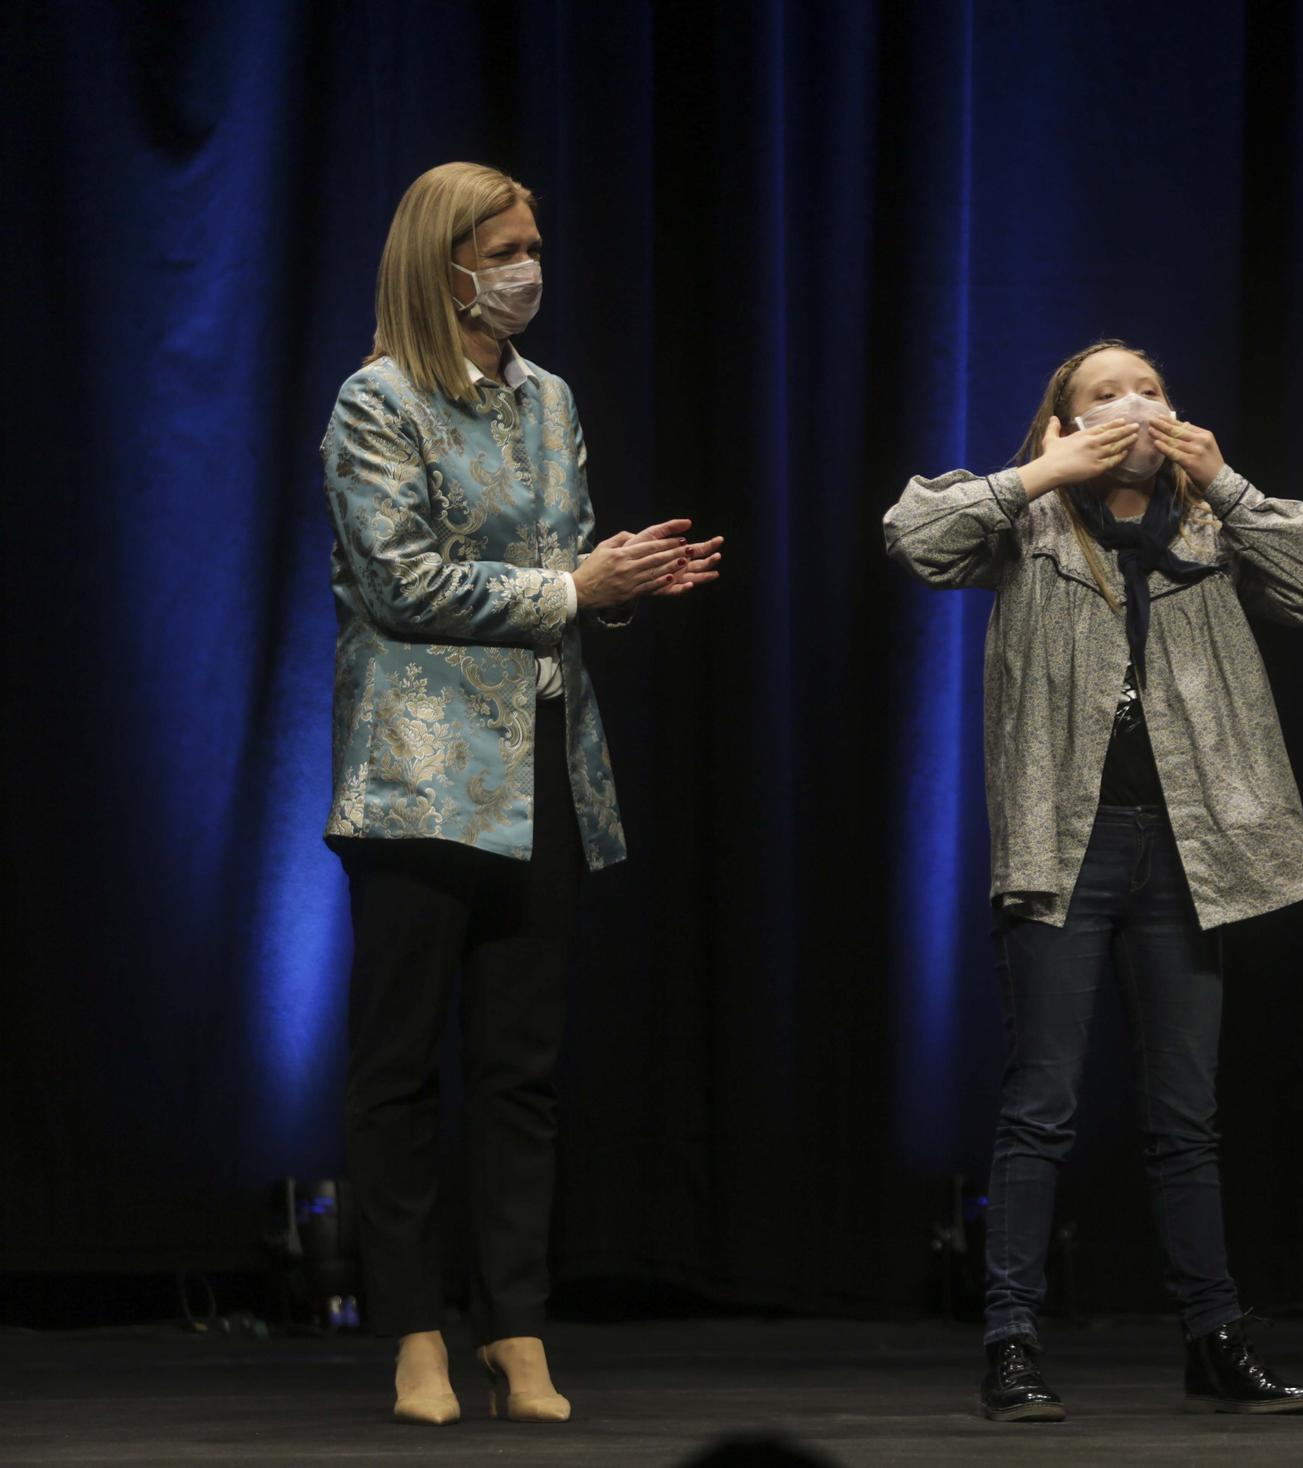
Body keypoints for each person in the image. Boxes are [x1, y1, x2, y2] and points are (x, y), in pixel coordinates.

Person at [320, 162, 722, 1425]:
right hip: (422, 778)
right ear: (448, 263)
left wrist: (622, 574)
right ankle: (416, 1333)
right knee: (398, 1068)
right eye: (508, 246)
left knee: (520, 1070)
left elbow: (566, 555)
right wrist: (571, 592)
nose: (529, 267)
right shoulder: (376, 402)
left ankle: (518, 1330)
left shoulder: (548, 400)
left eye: (533, 244)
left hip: (543, 765)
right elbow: (401, 582)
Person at [884, 341, 1303, 1422]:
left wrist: (1226, 480)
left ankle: (1213, 1338)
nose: (1133, 407)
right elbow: (910, 535)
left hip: (1187, 851)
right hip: (1067, 845)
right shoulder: (1029, 524)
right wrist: (1037, 475)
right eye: (1104, 395)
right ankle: (1009, 1342)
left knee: (1185, 1114)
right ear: (1062, 422)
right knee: (1040, 1101)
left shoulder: (1208, 526)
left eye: (1148, 390)